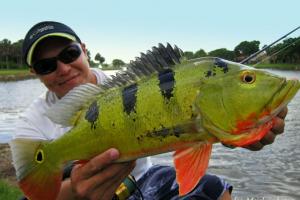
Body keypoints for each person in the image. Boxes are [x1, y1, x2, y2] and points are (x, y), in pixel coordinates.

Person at [13, 21, 287, 200]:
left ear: (84, 50)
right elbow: (36, 194)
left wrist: (237, 133)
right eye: (46, 66)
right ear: (33, 72)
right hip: (85, 194)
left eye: (69, 54)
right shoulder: (30, 124)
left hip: (144, 178)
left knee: (217, 191)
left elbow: (197, 133)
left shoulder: (121, 84)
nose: (62, 68)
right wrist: (75, 190)